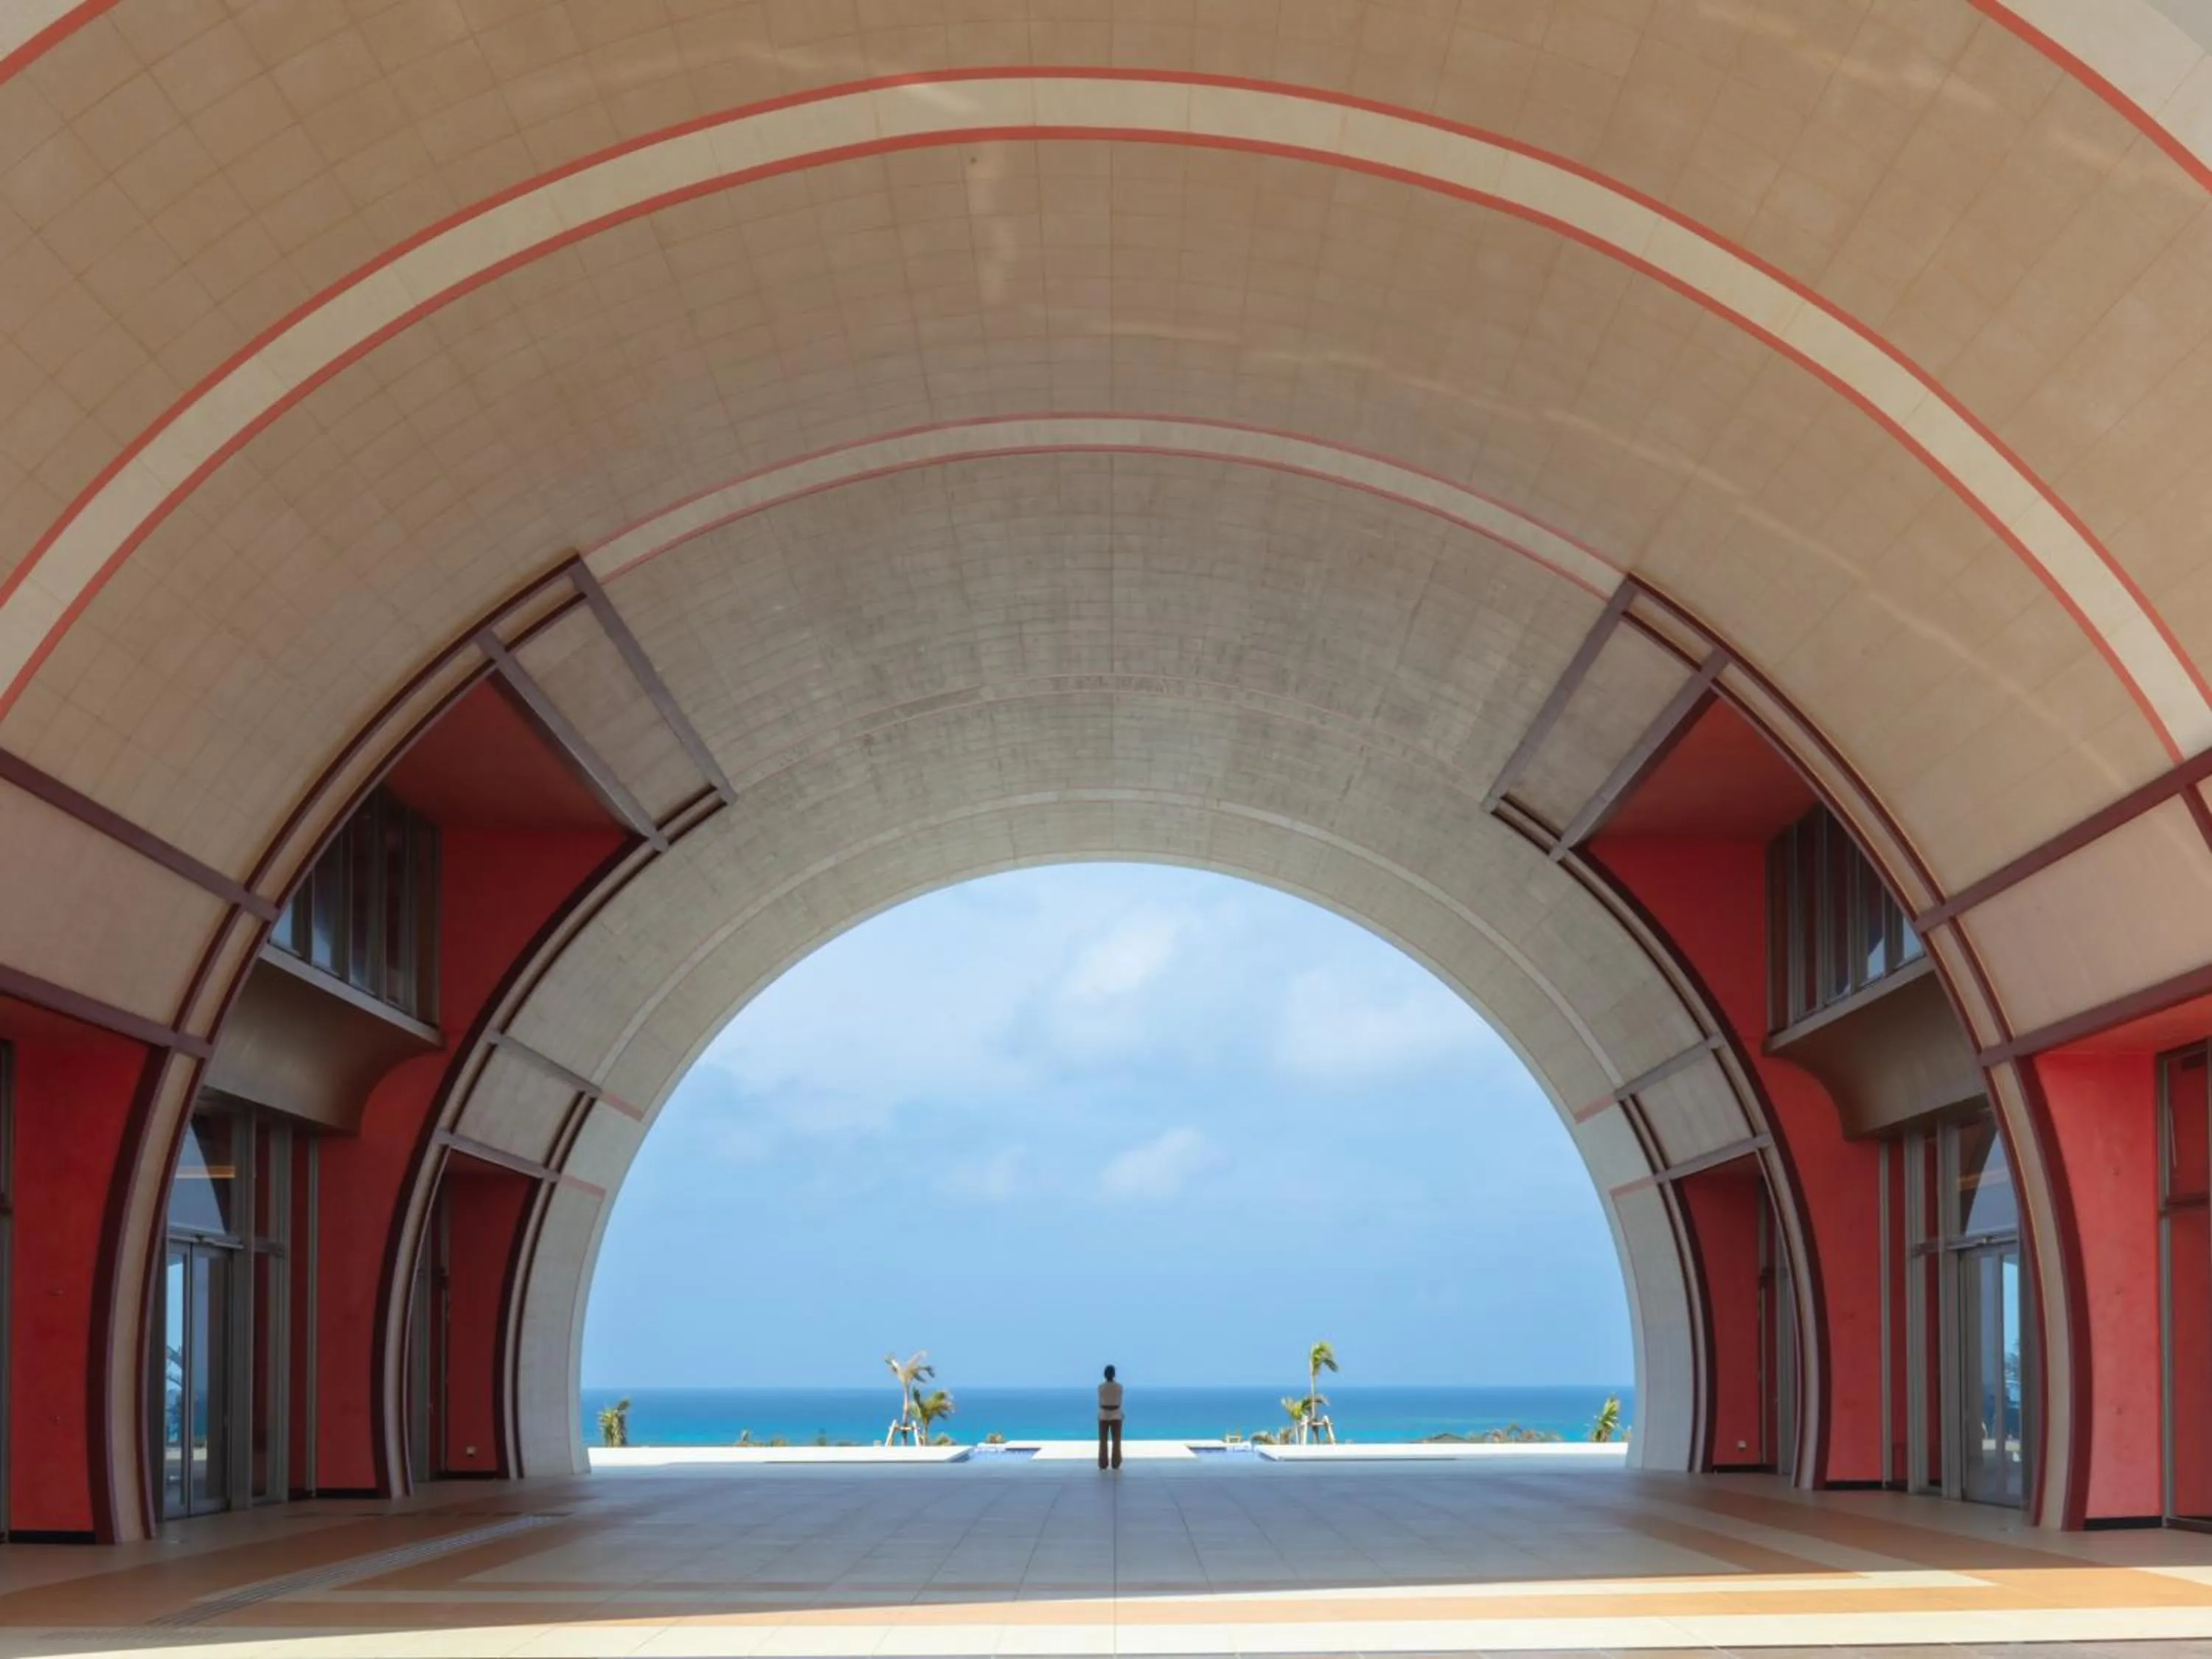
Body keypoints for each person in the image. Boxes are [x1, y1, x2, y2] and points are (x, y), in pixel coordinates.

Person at [1097, 1364, 1124, 1470]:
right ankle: (1116, 1463)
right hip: (1116, 1416)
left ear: (1105, 1375)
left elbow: (1100, 1403)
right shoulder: (1119, 1387)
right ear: (1114, 1375)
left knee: (1103, 1441)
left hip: (1103, 1415)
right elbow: (1120, 1402)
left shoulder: (1100, 1387)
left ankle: (1103, 1463)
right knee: (1116, 1440)